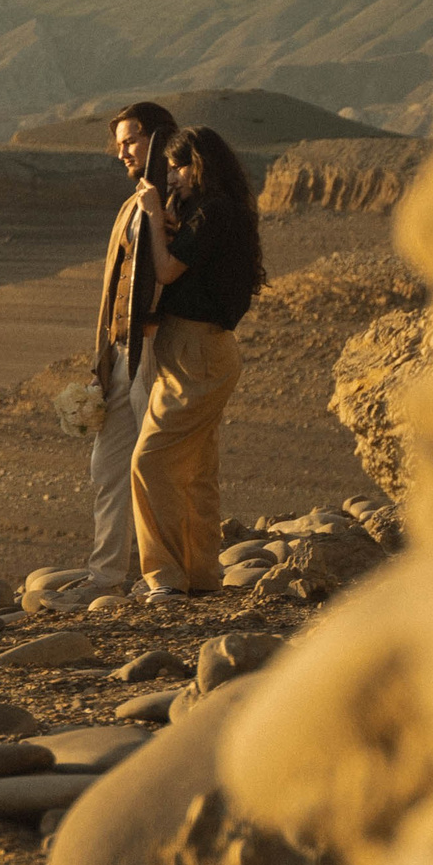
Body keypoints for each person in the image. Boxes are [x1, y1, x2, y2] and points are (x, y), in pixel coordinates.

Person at [131, 126, 266, 595]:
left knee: (150, 462)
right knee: (194, 468)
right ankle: (200, 575)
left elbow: (168, 269)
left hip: (197, 355)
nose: (172, 178)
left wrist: (151, 214)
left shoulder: (214, 212)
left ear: (198, 164)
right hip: (196, 353)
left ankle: (165, 577)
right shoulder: (211, 212)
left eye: (177, 168)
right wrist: (167, 216)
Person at [86, 100, 181, 592]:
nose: (121, 152)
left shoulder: (181, 197)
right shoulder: (134, 201)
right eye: (118, 143)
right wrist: (101, 360)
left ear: (157, 139)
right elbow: (115, 283)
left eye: (130, 141)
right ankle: (104, 576)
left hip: (158, 351)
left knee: (153, 466)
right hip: (121, 354)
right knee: (107, 469)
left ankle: (162, 573)